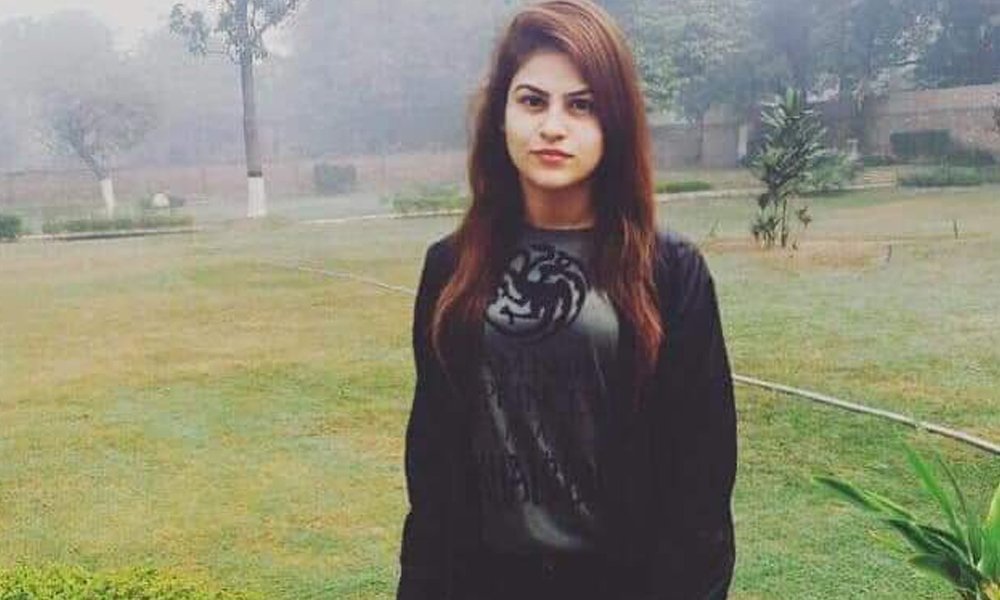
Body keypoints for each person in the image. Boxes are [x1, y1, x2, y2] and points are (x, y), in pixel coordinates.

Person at [397, 1, 737, 598]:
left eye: (581, 105)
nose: (553, 126)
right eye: (532, 101)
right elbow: (434, 468)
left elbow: (701, 484)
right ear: (501, 115)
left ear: (615, 123)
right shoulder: (450, 269)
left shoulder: (670, 273)